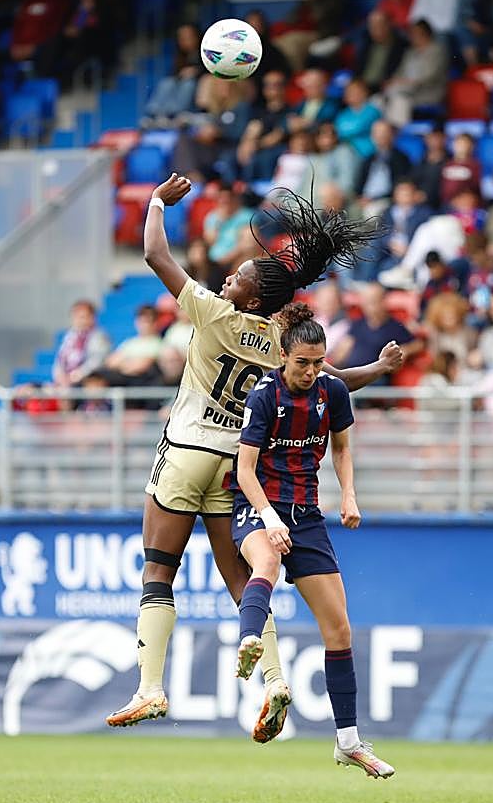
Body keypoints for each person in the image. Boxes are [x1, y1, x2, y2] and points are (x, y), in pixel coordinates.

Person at [106, 174, 402, 736]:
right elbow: (334, 380)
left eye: (238, 275)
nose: (228, 276)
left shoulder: (213, 314)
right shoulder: (279, 345)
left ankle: (149, 687)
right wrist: (381, 369)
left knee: (157, 571)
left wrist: (154, 204)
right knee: (242, 580)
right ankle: (273, 680)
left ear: (252, 295)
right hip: (235, 469)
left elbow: (152, 252)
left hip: (187, 450)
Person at [230, 303, 395, 779]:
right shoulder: (264, 396)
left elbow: (341, 448)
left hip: (306, 517)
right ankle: (249, 642)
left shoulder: (333, 392)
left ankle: (348, 742)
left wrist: (349, 496)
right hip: (258, 503)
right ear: (283, 356)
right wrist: (267, 516)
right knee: (265, 565)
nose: (311, 370)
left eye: (318, 362)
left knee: (340, 630)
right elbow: (244, 469)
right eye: (302, 362)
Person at [332, 282, 423, 373]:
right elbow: (342, 350)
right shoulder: (357, 324)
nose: (368, 306)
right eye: (365, 302)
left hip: (375, 377)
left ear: (383, 302)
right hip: (351, 373)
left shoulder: (394, 326)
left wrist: (406, 350)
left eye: (372, 302)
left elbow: (418, 344)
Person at [383, 19, 447, 126]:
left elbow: (430, 77)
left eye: (416, 33)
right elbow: (400, 72)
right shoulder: (410, 52)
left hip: (427, 92)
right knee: (380, 99)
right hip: (405, 89)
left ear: (426, 33)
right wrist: (393, 81)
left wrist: (406, 83)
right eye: (411, 33)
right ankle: (383, 132)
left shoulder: (437, 50)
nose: (412, 36)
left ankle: (398, 132)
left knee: (399, 98)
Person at [143, 24, 202, 122]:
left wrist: (196, 71)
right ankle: (154, 113)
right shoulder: (180, 56)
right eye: (181, 38)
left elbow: (209, 71)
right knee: (167, 82)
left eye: (188, 37)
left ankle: (173, 115)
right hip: (181, 82)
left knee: (188, 84)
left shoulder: (205, 53)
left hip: (197, 84)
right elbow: (174, 73)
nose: (185, 40)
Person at [355, 120, 412, 217]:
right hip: (364, 200)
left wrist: (373, 199)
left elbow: (398, 186)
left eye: (384, 133)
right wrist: (359, 198)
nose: (380, 136)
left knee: (371, 213)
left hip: (385, 201)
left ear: (392, 135)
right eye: (377, 133)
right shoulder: (368, 159)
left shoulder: (400, 158)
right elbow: (359, 184)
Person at [52, 300, 111, 386]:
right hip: (67, 380)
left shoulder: (99, 336)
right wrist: (59, 376)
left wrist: (79, 374)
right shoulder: (69, 336)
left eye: (83, 317)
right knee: (29, 389)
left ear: (92, 318)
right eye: (76, 317)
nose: (79, 321)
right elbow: (60, 361)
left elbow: (97, 361)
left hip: (87, 379)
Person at [352, 8, 406, 91]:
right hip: (363, 88)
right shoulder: (366, 43)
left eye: (378, 25)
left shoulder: (401, 46)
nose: (374, 30)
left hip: (385, 89)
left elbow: (398, 74)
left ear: (388, 25)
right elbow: (358, 70)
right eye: (372, 26)